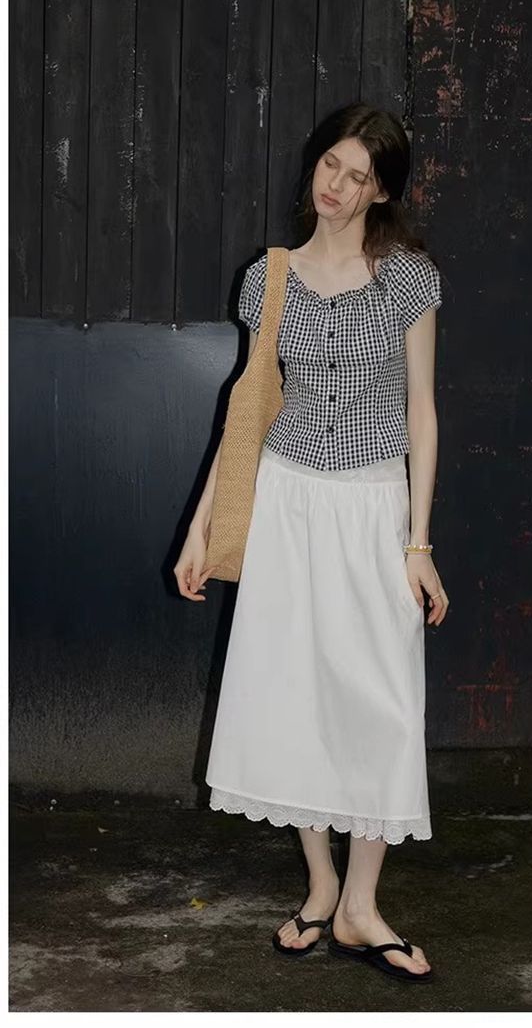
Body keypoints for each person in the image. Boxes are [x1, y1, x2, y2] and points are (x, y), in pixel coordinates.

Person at [174, 103, 448, 982]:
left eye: (359, 175)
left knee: (381, 701)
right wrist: (202, 527)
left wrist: (419, 543)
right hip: (287, 499)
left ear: (382, 192)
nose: (338, 184)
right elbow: (247, 409)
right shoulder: (270, 277)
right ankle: (324, 885)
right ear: (315, 165)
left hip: (372, 503)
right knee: (293, 693)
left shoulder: (408, 281)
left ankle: (364, 906)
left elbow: (422, 412)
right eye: (332, 163)